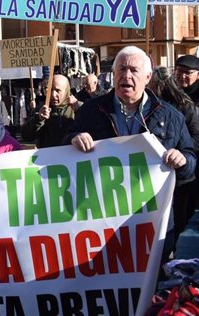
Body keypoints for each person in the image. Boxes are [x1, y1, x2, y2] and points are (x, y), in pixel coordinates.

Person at [66, 46, 196, 265]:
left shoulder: (170, 116)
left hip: (152, 227)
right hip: (102, 226)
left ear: (147, 77)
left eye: (134, 70)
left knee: (151, 293)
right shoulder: (90, 111)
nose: (127, 75)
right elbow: (63, 144)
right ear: (113, 75)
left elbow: (190, 162)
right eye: (122, 69)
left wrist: (182, 160)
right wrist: (74, 138)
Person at [148, 66, 199, 239]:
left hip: (181, 178)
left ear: (159, 85)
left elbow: (196, 138)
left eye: (151, 83)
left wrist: (178, 154)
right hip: (157, 176)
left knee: (178, 223)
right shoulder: (150, 106)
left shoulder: (185, 107)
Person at [21, 74, 79, 148]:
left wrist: (79, 111)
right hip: (48, 157)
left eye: (58, 91)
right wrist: (38, 119)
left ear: (66, 91)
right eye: (50, 90)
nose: (53, 94)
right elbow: (26, 136)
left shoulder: (77, 106)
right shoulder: (41, 109)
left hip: (73, 156)